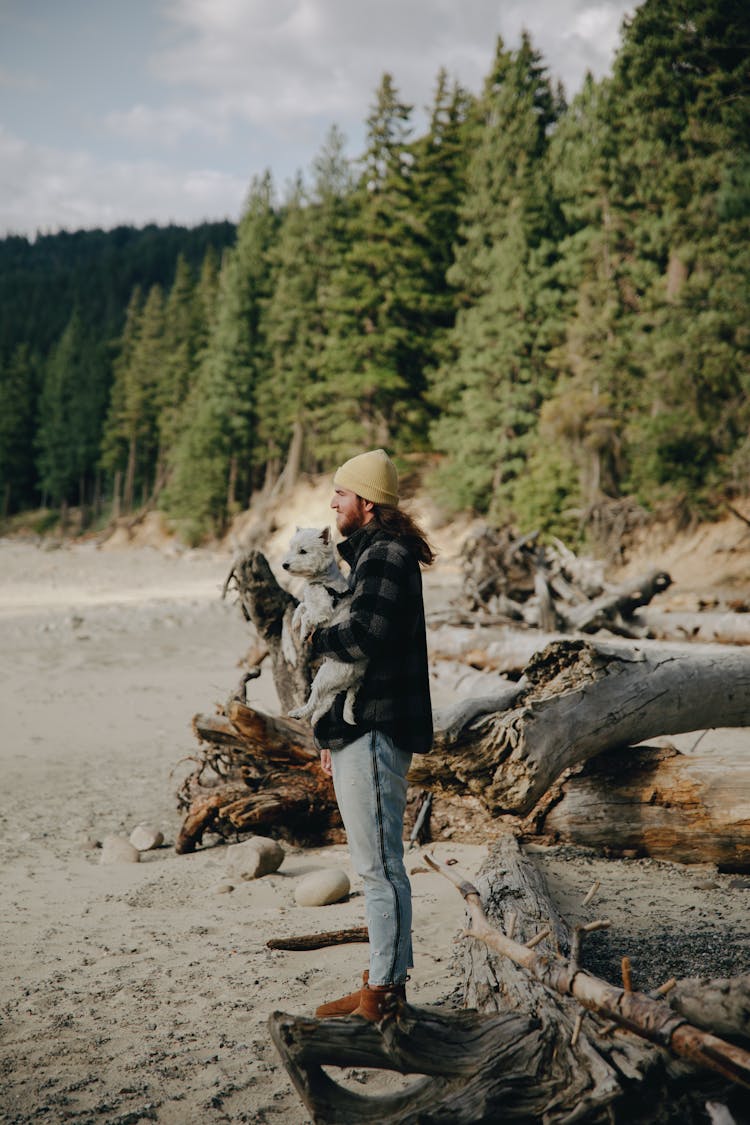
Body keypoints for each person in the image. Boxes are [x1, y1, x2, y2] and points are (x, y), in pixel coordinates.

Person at [307, 448, 434, 1021]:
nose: (333, 502)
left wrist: (312, 640)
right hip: (364, 728)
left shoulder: (386, 553)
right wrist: (333, 735)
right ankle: (386, 983)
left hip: (379, 729)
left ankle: (383, 994)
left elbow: (367, 636)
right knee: (378, 864)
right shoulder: (376, 553)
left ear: (366, 501)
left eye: (341, 493)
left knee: (378, 868)